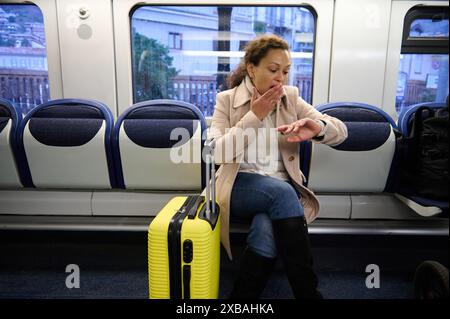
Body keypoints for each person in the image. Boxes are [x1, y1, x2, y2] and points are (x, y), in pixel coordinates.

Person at [208, 34, 348, 299]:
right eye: (273, 70)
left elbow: (341, 132)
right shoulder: (226, 100)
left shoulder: (290, 98)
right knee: (283, 194)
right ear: (252, 68)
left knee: (266, 227)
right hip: (238, 185)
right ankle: (309, 294)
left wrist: (317, 128)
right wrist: (255, 116)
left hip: (278, 191)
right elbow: (215, 153)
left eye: (285, 72)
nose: (280, 78)